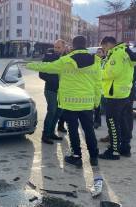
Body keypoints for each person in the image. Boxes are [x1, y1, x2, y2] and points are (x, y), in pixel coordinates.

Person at [26, 36, 102, 167]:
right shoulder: (96, 61)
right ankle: (94, 157)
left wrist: (28, 65)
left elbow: (47, 67)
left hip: (70, 103)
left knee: (73, 130)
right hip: (87, 103)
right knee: (89, 130)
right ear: (85, 45)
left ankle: (76, 156)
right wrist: (96, 102)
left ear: (73, 45)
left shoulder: (65, 60)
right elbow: (98, 84)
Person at [98, 37, 136, 160]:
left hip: (115, 94)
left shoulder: (117, 54)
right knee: (123, 122)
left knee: (112, 123)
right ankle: (125, 148)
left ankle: (113, 151)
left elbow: (111, 73)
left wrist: (99, 72)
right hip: (124, 93)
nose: (104, 50)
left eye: (104, 47)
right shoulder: (125, 52)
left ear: (109, 44)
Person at [39, 40, 67, 144]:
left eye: (59, 47)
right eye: (55, 47)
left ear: (64, 48)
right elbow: (41, 74)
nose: (56, 49)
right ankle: (45, 135)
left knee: (59, 112)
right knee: (52, 111)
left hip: (63, 91)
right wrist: (55, 80)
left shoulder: (67, 59)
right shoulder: (48, 57)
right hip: (51, 90)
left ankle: (51, 132)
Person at [94, 48, 106, 129]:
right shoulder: (93, 61)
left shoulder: (105, 62)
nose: (98, 53)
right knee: (95, 105)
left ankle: (97, 122)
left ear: (103, 53)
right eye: (97, 52)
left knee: (99, 106)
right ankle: (96, 121)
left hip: (103, 87)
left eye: (99, 52)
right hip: (94, 86)